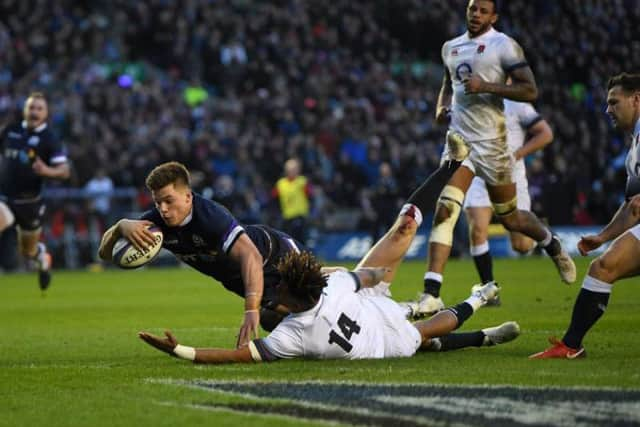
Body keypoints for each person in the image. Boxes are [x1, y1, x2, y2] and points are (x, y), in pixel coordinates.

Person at [139, 199, 520, 364]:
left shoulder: (294, 336)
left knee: (423, 336)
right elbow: (368, 275)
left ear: (290, 292)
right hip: (373, 313)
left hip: (382, 346)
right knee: (426, 332)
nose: (277, 289)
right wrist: (365, 277)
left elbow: (235, 356)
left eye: (281, 286)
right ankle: (479, 303)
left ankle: (478, 314)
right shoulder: (333, 285)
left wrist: (180, 351)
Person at [411, 0, 576, 317]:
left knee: (512, 219)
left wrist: (486, 86)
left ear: (493, 16)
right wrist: (441, 108)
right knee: (446, 211)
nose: (475, 14)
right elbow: (448, 84)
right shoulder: (451, 47)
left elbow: (530, 91)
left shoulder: (504, 46)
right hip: (460, 143)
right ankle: (432, 293)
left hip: (494, 146)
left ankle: (551, 243)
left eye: (483, 10)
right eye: (472, 8)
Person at [98, 161, 305, 348]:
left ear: (188, 196)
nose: (163, 209)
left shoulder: (209, 217)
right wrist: (120, 227)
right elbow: (105, 254)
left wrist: (250, 309)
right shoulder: (156, 223)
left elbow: (251, 255)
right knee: (274, 320)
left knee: (317, 303)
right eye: (157, 203)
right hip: (238, 279)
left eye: (169, 201)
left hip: (276, 255)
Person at [530, 73, 640, 359]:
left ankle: (570, 345)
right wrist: (602, 236)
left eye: (614, 103)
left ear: (636, 99)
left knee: (603, 267)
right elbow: (632, 206)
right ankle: (570, 345)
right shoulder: (634, 150)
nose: (608, 110)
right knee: (602, 268)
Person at [464, 99, 554, 301]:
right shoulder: (471, 99)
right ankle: (489, 291)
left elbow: (545, 133)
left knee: (521, 246)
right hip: (479, 174)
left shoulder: (518, 105)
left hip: (511, 178)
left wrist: (518, 154)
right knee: (478, 230)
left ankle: (544, 234)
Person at [0, 92, 70, 289]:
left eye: (39, 108)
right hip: (4, 198)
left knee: (28, 251)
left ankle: (42, 257)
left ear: (46, 113)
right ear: (24, 110)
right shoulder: (9, 131)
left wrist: (46, 170)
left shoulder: (50, 139)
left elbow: (64, 171)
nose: (34, 112)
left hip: (30, 203)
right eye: (31, 107)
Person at [272, 158, 312, 243]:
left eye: (295, 169)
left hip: (300, 216)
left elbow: (310, 196)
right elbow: (273, 198)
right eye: (290, 169)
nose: (292, 171)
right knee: (289, 241)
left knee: (301, 241)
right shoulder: (280, 184)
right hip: (287, 217)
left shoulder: (302, 181)